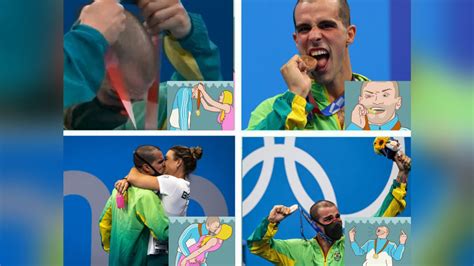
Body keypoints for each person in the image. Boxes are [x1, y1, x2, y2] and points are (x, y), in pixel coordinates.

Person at [64, 0, 222, 130]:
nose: (127, 111)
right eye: (114, 95)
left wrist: (188, 37)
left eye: (137, 99)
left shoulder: (157, 112)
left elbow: (211, 108)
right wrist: (87, 41)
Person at [247, 0, 369, 130]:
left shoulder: (385, 101)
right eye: (304, 29)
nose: (314, 36)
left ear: (349, 35)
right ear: (296, 40)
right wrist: (294, 97)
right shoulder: (271, 111)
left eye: (326, 25)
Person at [115, 146, 203, 262]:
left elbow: (134, 176)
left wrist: (128, 177)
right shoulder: (180, 184)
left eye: (166, 159)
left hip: (160, 255)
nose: (163, 164)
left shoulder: (172, 183)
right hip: (168, 249)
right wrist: (126, 180)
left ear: (178, 162)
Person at [98, 145, 169, 266]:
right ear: (147, 167)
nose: (165, 165)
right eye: (160, 162)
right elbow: (163, 233)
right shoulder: (147, 196)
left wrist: (114, 250)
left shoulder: (117, 191)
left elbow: (104, 223)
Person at [247, 200, 345, 265]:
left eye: (337, 216)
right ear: (315, 225)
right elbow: (257, 246)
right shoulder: (295, 250)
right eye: (328, 219)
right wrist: (271, 222)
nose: (336, 222)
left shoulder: (351, 244)